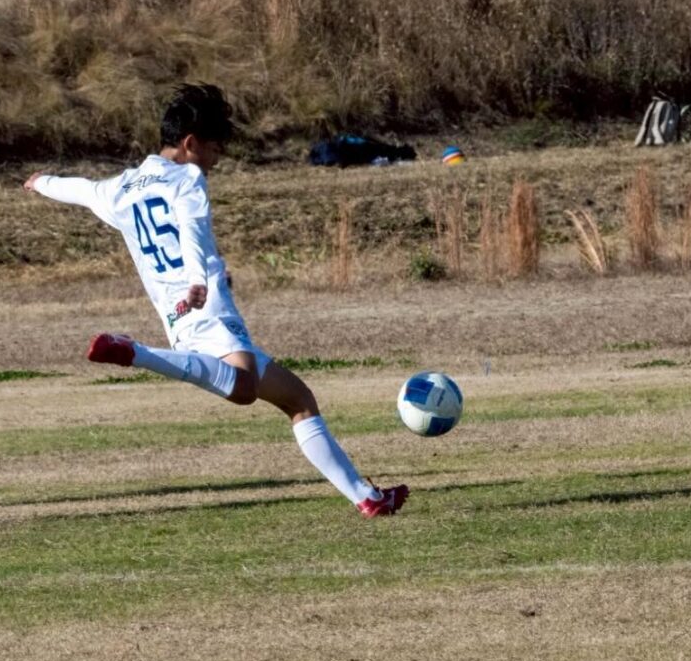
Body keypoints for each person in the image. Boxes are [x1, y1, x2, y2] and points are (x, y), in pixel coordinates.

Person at [24, 83, 407, 517]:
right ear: (189, 144)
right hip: (205, 306)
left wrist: (42, 182)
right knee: (242, 388)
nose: (217, 157)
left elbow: (81, 189)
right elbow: (189, 227)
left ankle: (367, 497)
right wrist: (197, 279)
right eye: (213, 147)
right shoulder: (188, 178)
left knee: (298, 399)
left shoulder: (121, 187)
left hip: (177, 315)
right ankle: (136, 353)